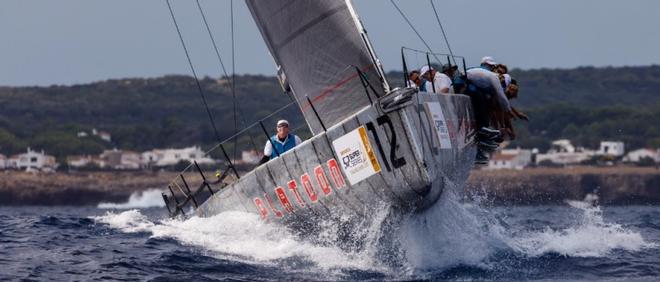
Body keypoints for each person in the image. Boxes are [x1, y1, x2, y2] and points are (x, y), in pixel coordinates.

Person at [465, 56, 514, 164]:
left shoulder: (479, 71)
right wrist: (508, 110)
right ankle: (482, 130)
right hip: (471, 93)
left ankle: (481, 139)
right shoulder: (493, 77)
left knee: (484, 100)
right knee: (483, 103)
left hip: (465, 90)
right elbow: (501, 97)